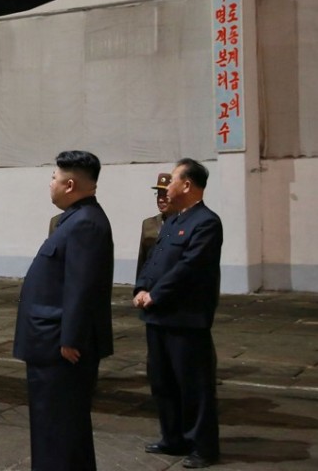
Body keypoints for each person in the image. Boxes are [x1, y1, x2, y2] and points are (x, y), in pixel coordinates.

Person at [14, 150, 114, 471]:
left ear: (70, 185)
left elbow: (81, 286)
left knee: (57, 431)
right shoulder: (75, 219)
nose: (51, 184)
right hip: (52, 343)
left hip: (60, 348)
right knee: (60, 430)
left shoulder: (85, 224)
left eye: (54, 178)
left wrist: (72, 338)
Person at [134, 158, 223, 469]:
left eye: (171, 180)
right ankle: (173, 438)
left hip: (185, 319)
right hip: (158, 316)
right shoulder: (171, 221)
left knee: (194, 386)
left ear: (187, 185)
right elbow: (155, 260)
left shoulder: (206, 222)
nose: (166, 187)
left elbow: (189, 268)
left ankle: (204, 447)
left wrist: (155, 294)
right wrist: (141, 287)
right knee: (163, 382)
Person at [137, 173, 173, 277]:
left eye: (165, 195)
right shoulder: (148, 224)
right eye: (159, 194)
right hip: (150, 284)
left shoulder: (183, 223)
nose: (161, 199)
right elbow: (142, 258)